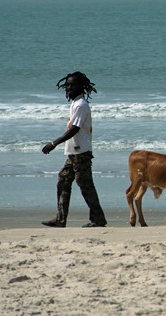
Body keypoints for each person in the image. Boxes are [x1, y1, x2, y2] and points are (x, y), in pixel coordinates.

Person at [41, 71, 107, 228]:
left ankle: (98, 219)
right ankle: (60, 219)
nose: (69, 87)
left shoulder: (81, 105)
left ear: (81, 86)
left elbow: (74, 129)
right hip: (74, 152)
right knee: (63, 181)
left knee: (86, 186)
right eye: (67, 85)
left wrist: (53, 143)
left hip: (81, 152)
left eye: (72, 85)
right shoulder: (75, 103)